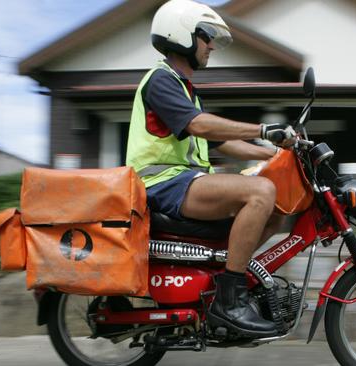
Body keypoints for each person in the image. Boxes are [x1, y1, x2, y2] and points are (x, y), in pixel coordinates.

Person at [126, 0, 295, 338]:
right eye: (207, 37)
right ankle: (228, 302)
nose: (212, 46)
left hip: (186, 182)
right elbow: (201, 127)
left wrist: (274, 154)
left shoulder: (185, 90)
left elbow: (218, 142)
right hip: (161, 184)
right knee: (261, 191)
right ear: (182, 35)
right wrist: (262, 130)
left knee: (276, 208)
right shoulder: (161, 80)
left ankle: (225, 278)